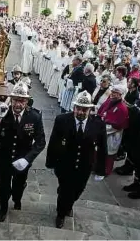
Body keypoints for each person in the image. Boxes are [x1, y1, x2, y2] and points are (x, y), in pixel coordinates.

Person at [46, 90, 107, 229]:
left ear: (90, 109)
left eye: (84, 109)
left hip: (85, 165)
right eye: (78, 108)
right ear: (74, 107)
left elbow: (103, 147)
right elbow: (54, 141)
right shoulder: (62, 120)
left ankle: (69, 203)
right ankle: (61, 214)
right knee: (65, 191)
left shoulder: (98, 124)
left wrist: (100, 170)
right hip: (65, 164)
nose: (80, 112)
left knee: (78, 190)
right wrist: (50, 162)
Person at [0, 82, 46, 222]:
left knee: (18, 187)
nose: (18, 104)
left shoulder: (34, 116)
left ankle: (17, 198)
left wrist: (28, 159)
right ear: (11, 99)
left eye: (22, 101)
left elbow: (40, 142)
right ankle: (3, 208)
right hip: (3, 157)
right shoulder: (3, 111)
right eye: (15, 100)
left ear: (27, 101)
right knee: (3, 187)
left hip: (22, 159)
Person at [114, 85, 140, 176]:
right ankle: (126, 165)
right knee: (128, 150)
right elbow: (133, 109)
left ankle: (128, 169)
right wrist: (125, 104)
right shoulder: (138, 101)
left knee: (133, 153)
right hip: (130, 130)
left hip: (137, 134)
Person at [97, 85, 129, 176]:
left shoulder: (122, 108)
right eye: (113, 92)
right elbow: (101, 111)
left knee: (109, 155)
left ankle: (105, 171)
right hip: (103, 131)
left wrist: (101, 129)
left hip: (112, 135)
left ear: (120, 95)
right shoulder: (109, 101)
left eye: (115, 93)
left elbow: (117, 125)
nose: (112, 94)